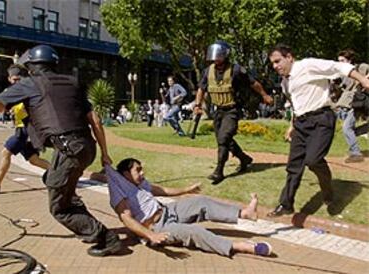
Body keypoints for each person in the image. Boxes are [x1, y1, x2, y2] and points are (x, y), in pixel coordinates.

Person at [0, 45, 122, 256]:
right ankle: (87, 224)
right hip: (85, 148)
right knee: (55, 183)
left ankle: (105, 238)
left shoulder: (30, 83)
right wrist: (105, 152)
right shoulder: (71, 83)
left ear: (31, 67)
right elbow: (96, 121)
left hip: (69, 149)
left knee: (59, 207)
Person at [267, 44, 369, 217]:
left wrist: (363, 80)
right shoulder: (286, 81)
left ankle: (328, 192)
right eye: (273, 64)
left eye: (278, 61)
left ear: (289, 57)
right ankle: (286, 204)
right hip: (301, 123)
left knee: (313, 160)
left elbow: (339, 67)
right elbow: (294, 104)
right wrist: (292, 125)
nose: (276, 66)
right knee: (294, 165)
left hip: (321, 119)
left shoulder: (308, 65)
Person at [105, 158, 273, 258]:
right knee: (193, 232)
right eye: (138, 170)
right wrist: (151, 235)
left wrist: (187, 190)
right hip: (158, 227)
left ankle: (245, 213)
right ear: (126, 174)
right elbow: (126, 219)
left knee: (201, 202)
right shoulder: (119, 190)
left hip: (168, 211)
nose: (142, 173)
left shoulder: (140, 183)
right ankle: (240, 246)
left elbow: (160, 190)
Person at [194, 41, 273, 184]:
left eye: (218, 56)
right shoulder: (208, 71)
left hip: (232, 110)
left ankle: (219, 171)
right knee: (224, 141)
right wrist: (197, 105)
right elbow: (201, 88)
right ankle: (244, 158)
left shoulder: (236, 70)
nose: (215, 59)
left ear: (225, 55)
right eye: (214, 56)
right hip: (218, 111)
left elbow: (253, 83)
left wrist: (264, 95)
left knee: (224, 138)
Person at [0, 64, 51, 195]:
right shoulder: (14, 92)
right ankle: (57, 172)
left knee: (6, 153)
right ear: (9, 79)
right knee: (34, 160)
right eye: (14, 79)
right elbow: (0, 107)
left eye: (19, 79)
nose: (16, 82)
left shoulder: (26, 90)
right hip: (22, 128)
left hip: (25, 129)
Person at [336, 49, 369, 163]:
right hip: (348, 104)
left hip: (359, 102)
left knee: (347, 128)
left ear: (350, 60)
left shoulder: (361, 67)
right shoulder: (342, 74)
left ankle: (355, 153)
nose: (340, 63)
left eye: (342, 60)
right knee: (349, 129)